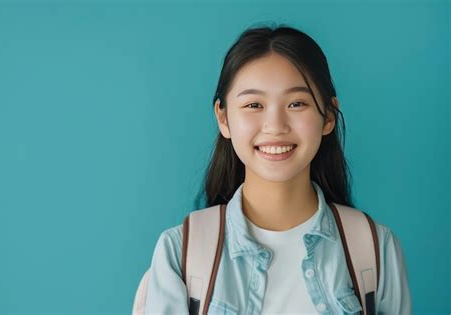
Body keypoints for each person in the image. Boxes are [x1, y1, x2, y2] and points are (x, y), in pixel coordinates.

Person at [144, 23, 412, 314]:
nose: (276, 126)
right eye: (254, 105)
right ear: (223, 118)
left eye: (297, 103)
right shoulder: (180, 251)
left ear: (328, 116)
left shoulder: (375, 248)